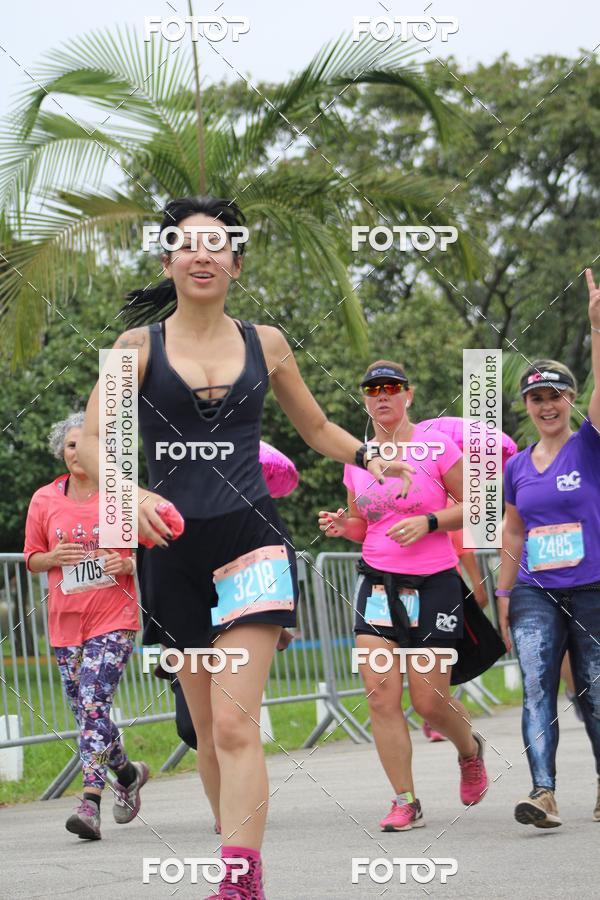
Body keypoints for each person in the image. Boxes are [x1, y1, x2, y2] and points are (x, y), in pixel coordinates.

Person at [77, 196, 414, 899]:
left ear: (236, 262)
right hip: (172, 552)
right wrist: (131, 495)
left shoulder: (269, 342)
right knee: (205, 730)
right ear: (166, 261)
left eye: (217, 244)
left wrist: (369, 455)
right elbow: (97, 441)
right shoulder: (136, 348)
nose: (202, 254)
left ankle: (241, 881)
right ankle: (233, 851)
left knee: (236, 723)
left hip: (252, 543)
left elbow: (316, 428)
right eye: (187, 244)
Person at [318, 360, 489, 832]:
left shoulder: (437, 447)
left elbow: (476, 504)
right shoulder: (358, 458)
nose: (382, 396)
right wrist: (343, 526)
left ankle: (469, 750)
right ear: (365, 399)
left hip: (434, 582)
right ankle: (404, 800)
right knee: (379, 696)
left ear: (408, 395)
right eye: (373, 390)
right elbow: (363, 524)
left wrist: (430, 522)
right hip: (377, 583)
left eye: (391, 388)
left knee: (429, 701)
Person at [497, 269, 600, 829]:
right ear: (527, 405)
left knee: (594, 693)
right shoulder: (516, 467)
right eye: (536, 398)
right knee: (537, 688)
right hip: (536, 591)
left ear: (570, 399)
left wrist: (596, 328)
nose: (546, 406)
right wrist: (504, 593)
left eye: (555, 396)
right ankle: (543, 793)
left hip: (593, 588)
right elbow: (513, 532)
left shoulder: (589, 445)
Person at [23, 412, 147, 841]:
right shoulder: (44, 500)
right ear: (62, 451)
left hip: (113, 617)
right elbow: (32, 557)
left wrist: (128, 563)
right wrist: (52, 558)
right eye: (70, 445)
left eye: (85, 444)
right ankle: (128, 774)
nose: (77, 452)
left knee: (94, 705)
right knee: (88, 714)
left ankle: (89, 802)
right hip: (65, 622)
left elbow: (152, 550)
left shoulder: (121, 496)